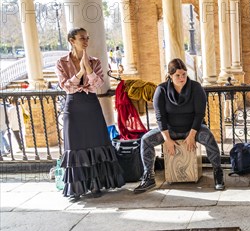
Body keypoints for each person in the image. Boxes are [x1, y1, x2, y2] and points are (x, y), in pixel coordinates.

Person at [55, 28, 125, 201]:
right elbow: (66, 87)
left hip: (91, 105)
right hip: (73, 107)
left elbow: (97, 85)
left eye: (87, 38)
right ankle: (77, 188)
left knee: (96, 143)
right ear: (72, 40)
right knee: (75, 146)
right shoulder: (61, 62)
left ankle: (96, 184)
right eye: (82, 38)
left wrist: (88, 69)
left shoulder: (94, 61)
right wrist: (80, 72)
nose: (86, 41)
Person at [135, 58, 224, 193]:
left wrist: (191, 135)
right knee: (146, 140)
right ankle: (149, 177)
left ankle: (218, 172)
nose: (182, 78)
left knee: (209, 138)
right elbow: (160, 117)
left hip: (194, 128)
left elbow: (199, 114)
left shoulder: (196, 88)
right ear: (170, 75)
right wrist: (167, 139)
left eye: (184, 74)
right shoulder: (161, 90)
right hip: (170, 130)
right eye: (177, 75)